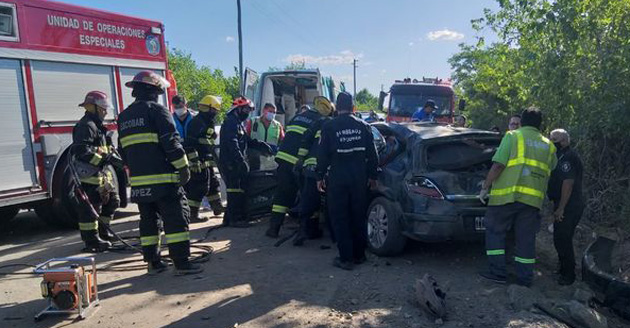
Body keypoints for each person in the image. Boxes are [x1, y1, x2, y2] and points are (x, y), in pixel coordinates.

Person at [117, 70, 202, 275]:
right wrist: (183, 168)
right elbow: (171, 143)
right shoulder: (158, 111)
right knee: (176, 220)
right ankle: (181, 263)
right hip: (164, 181)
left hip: (139, 183)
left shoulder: (124, 116)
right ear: (154, 90)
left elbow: (122, 151)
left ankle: (153, 262)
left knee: (148, 222)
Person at [478, 107, 557, 287]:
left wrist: (485, 187)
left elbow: (498, 165)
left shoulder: (513, 136)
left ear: (522, 121)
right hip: (532, 201)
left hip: (506, 197)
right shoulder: (549, 145)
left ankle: (497, 273)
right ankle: (524, 279)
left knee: (495, 232)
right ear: (540, 124)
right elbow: (551, 168)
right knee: (526, 239)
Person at [317, 92, 379, 270]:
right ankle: (359, 255)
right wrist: (373, 176)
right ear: (353, 108)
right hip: (359, 179)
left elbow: (322, 156)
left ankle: (345, 259)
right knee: (358, 216)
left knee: (340, 217)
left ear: (337, 108)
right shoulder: (364, 126)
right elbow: (372, 155)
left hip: (338, 179)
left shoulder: (329, 127)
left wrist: (319, 177)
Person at [265, 98, 325, 238]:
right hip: (300, 162)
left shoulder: (298, 117)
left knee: (282, 194)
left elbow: (287, 135)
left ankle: (274, 228)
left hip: (283, 158)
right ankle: (308, 230)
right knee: (308, 197)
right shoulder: (320, 121)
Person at [72, 91, 121, 252]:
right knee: (90, 211)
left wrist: (114, 157)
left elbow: (106, 148)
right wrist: (104, 159)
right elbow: (81, 151)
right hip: (89, 177)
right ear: (94, 108)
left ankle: (103, 232)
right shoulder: (86, 126)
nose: (106, 112)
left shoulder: (97, 126)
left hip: (101, 175)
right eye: (103, 108)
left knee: (113, 201)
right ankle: (91, 241)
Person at [219, 96, 273, 228]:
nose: (248, 113)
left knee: (237, 189)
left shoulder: (237, 122)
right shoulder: (231, 122)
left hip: (234, 161)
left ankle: (229, 218)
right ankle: (235, 219)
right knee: (235, 190)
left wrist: (260, 145)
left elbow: (246, 140)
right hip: (231, 162)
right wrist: (240, 160)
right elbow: (232, 143)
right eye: (246, 110)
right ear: (239, 109)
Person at [293, 96, 335, 246]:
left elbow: (305, 141)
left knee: (309, 201)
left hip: (311, 168)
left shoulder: (317, 123)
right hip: (329, 170)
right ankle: (334, 235)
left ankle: (304, 230)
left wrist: (299, 160)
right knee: (332, 203)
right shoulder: (334, 125)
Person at [548, 129, 583, 286]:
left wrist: (561, 208)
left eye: (554, 139)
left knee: (563, 238)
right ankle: (563, 269)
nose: (551, 142)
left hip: (569, 204)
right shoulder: (561, 156)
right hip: (566, 203)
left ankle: (568, 275)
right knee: (560, 237)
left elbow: (568, 183)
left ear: (562, 141)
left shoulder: (568, 157)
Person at [183, 95, 225, 223]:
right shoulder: (197, 122)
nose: (216, 113)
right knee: (199, 187)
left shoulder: (208, 122)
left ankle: (217, 207)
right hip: (198, 161)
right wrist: (194, 161)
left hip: (207, 160)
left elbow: (208, 141)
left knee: (213, 184)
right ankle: (192, 214)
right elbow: (189, 143)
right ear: (209, 108)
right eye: (215, 110)